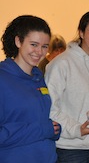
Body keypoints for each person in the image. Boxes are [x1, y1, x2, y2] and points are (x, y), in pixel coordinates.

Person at [45, 11, 89, 163]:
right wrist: (77, 129)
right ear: (81, 33)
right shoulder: (61, 65)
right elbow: (50, 108)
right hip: (71, 149)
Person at [0, 15, 61, 163]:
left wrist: (54, 129)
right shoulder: (2, 78)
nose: (39, 52)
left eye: (45, 46)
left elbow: (35, 117)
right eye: (34, 44)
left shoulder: (38, 76)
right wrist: (43, 129)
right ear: (18, 41)